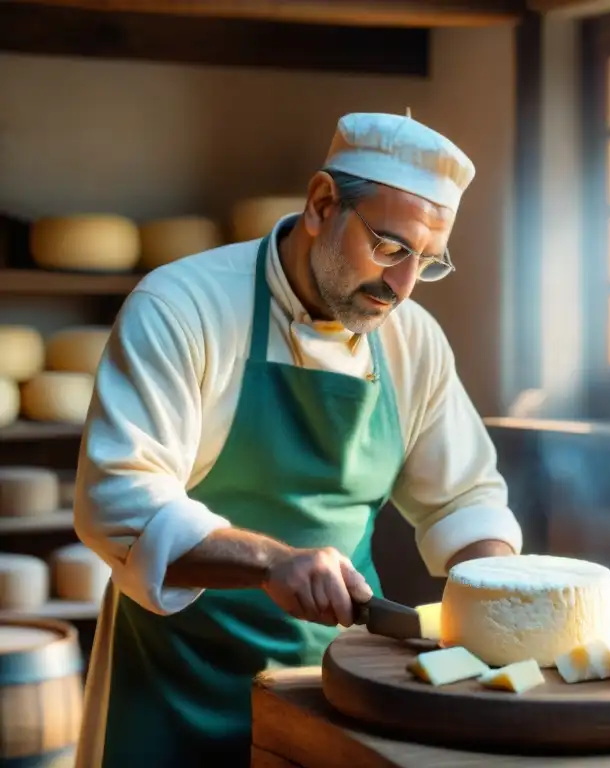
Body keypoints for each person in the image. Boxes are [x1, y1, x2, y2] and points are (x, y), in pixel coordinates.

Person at [72, 112, 523, 767]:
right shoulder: (182, 306)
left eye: (426, 263)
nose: (401, 288)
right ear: (321, 204)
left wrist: (503, 595)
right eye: (391, 248)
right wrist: (272, 563)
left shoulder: (412, 339)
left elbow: (463, 496)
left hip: (338, 686)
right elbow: (119, 498)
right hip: (179, 686)